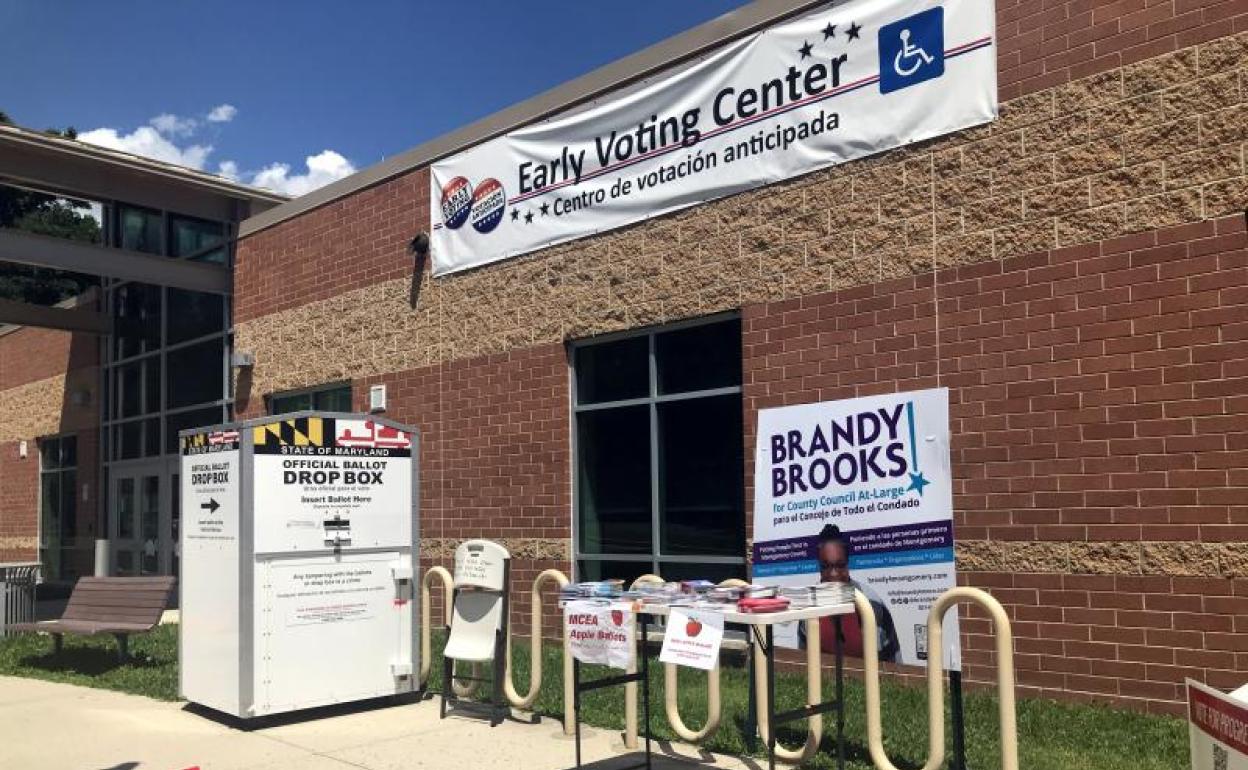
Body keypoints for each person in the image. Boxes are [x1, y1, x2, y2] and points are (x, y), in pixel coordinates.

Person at [798, 524, 900, 663]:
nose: (833, 574)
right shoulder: (809, 608)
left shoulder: (871, 604)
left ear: (847, 565)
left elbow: (893, 664)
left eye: (840, 566)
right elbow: (803, 665)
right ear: (819, 567)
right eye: (826, 567)